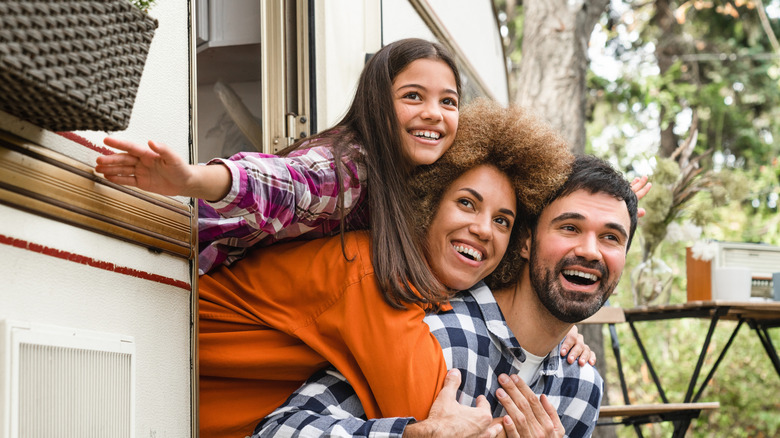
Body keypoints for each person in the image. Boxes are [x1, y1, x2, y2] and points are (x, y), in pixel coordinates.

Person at [195, 99, 576, 438]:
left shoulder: (429, 290)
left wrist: (558, 330)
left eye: (502, 221)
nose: (483, 229)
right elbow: (430, 412)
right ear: (428, 203)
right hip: (180, 393)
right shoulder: (372, 270)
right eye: (466, 203)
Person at [254, 153, 639, 438]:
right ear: (524, 241)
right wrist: (414, 436)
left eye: (611, 237)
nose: (591, 251)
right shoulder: (433, 333)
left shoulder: (581, 386)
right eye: (569, 228)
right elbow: (277, 430)